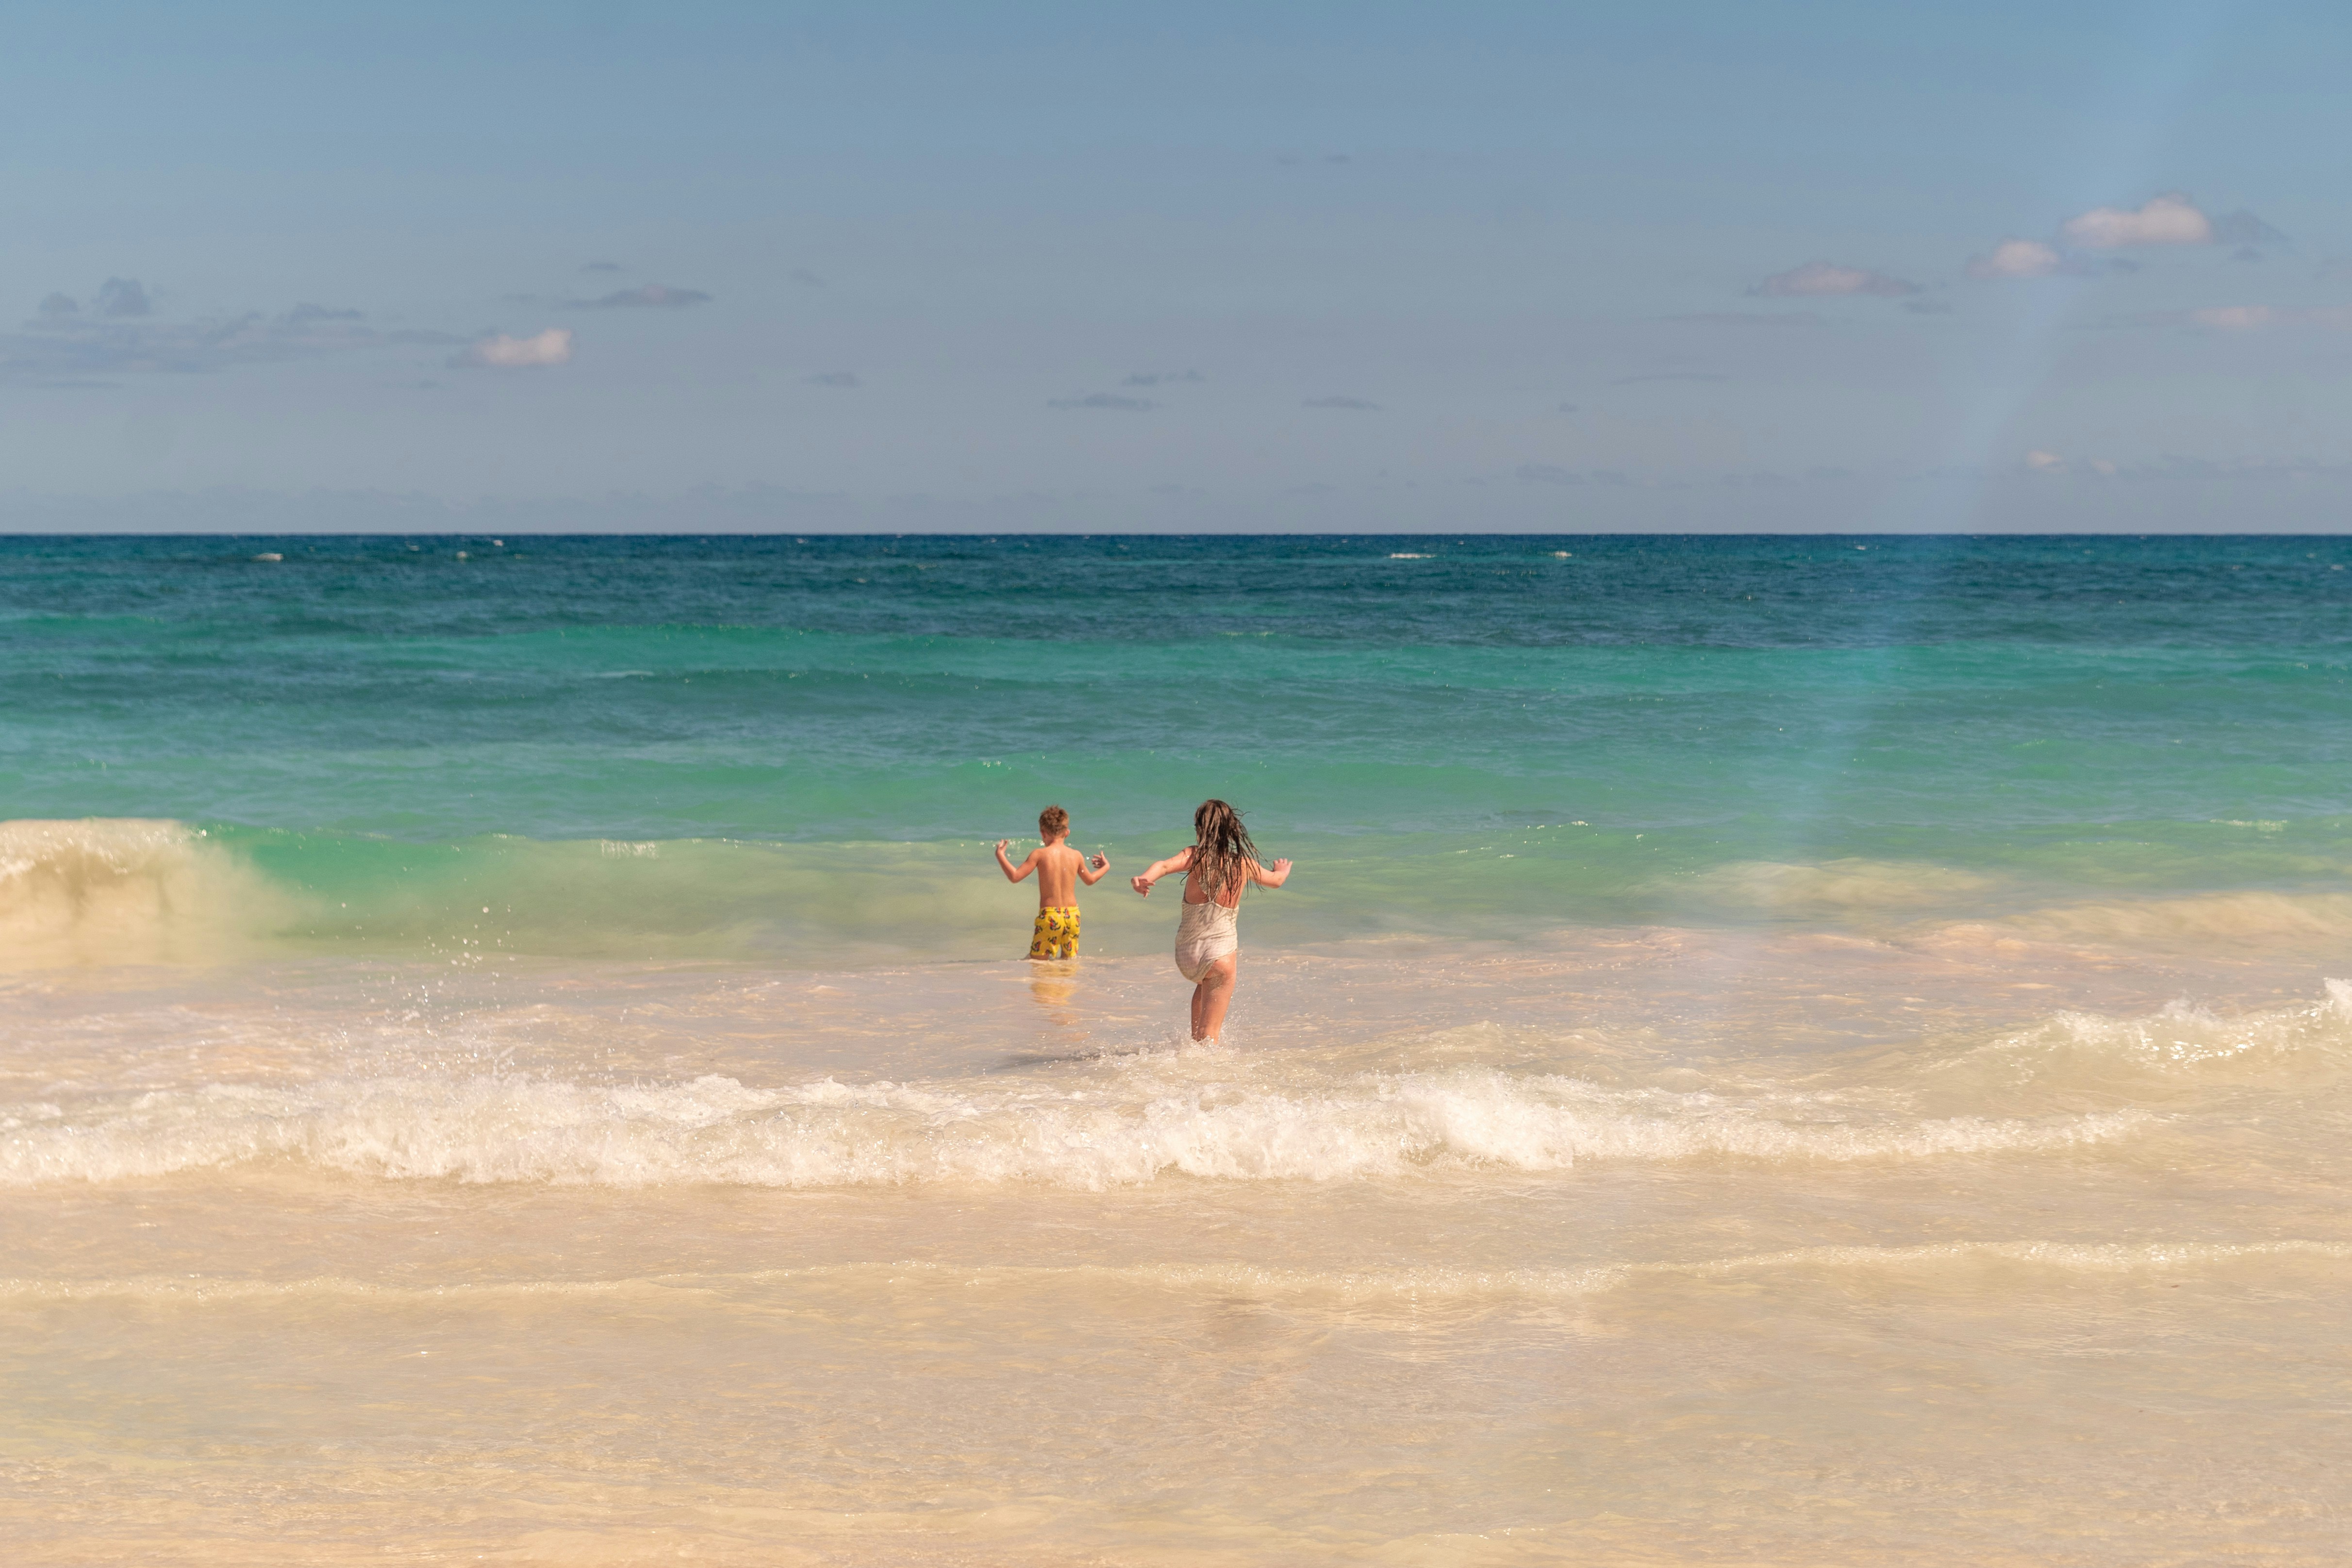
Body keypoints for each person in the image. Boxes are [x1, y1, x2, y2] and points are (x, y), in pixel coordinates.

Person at [1130, 799, 1292, 1042]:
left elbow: (1163, 866)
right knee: (1210, 1035)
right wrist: (1282, 871)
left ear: (1200, 828)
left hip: (1187, 956)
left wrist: (1143, 878)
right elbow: (1276, 881)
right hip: (1219, 956)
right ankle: (1207, 1066)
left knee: (1202, 1005)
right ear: (1232, 830)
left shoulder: (1195, 856)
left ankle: (1191, 1057)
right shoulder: (1243, 863)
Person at [995, 805, 1110, 959]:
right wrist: (1106, 867)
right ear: (1067, 833)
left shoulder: (1039, 854)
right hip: (1072, 916)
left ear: (1043, 833)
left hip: (1051, 917)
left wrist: (1000, 855)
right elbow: (1090, 880)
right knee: (1069, 964)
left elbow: (1015, 877)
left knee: (1039, 964)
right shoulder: (1076, 855)